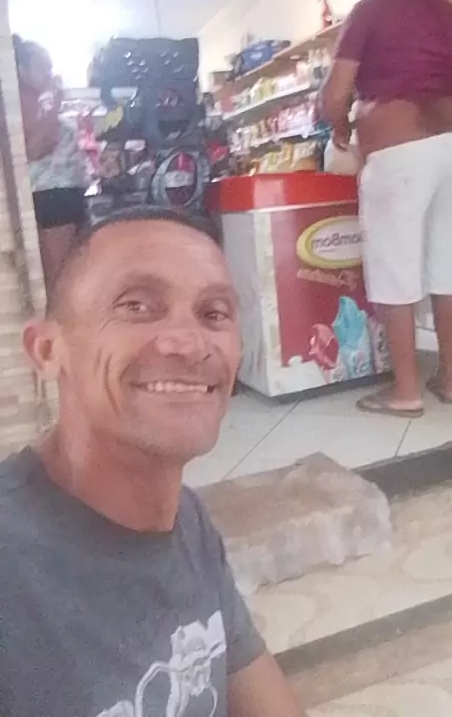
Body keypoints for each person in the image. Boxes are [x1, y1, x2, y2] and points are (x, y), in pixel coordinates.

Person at [0, 206, 302, 717]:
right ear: (47, 350)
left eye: (214, 314)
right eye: (136, 305)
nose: (189, 344)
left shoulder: (188, 522)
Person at [322, 0, 452, 417]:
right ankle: (449, 380)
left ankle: (405, 391)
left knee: (394, 271)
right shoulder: (451, 16)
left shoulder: (371, 9)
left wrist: (340, 126)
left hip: (399, 153)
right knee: (449, 268)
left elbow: (335, 94)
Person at [14, 35, 89, 292]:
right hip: (52, 194)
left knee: (74, 269)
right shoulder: (21, 103)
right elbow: (34, 149)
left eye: (50, 67)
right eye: (42, 67)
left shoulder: (38, 101)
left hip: (65, 192)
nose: (49, 73)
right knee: (61, 274)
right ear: (22, 70)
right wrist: (55, 104)